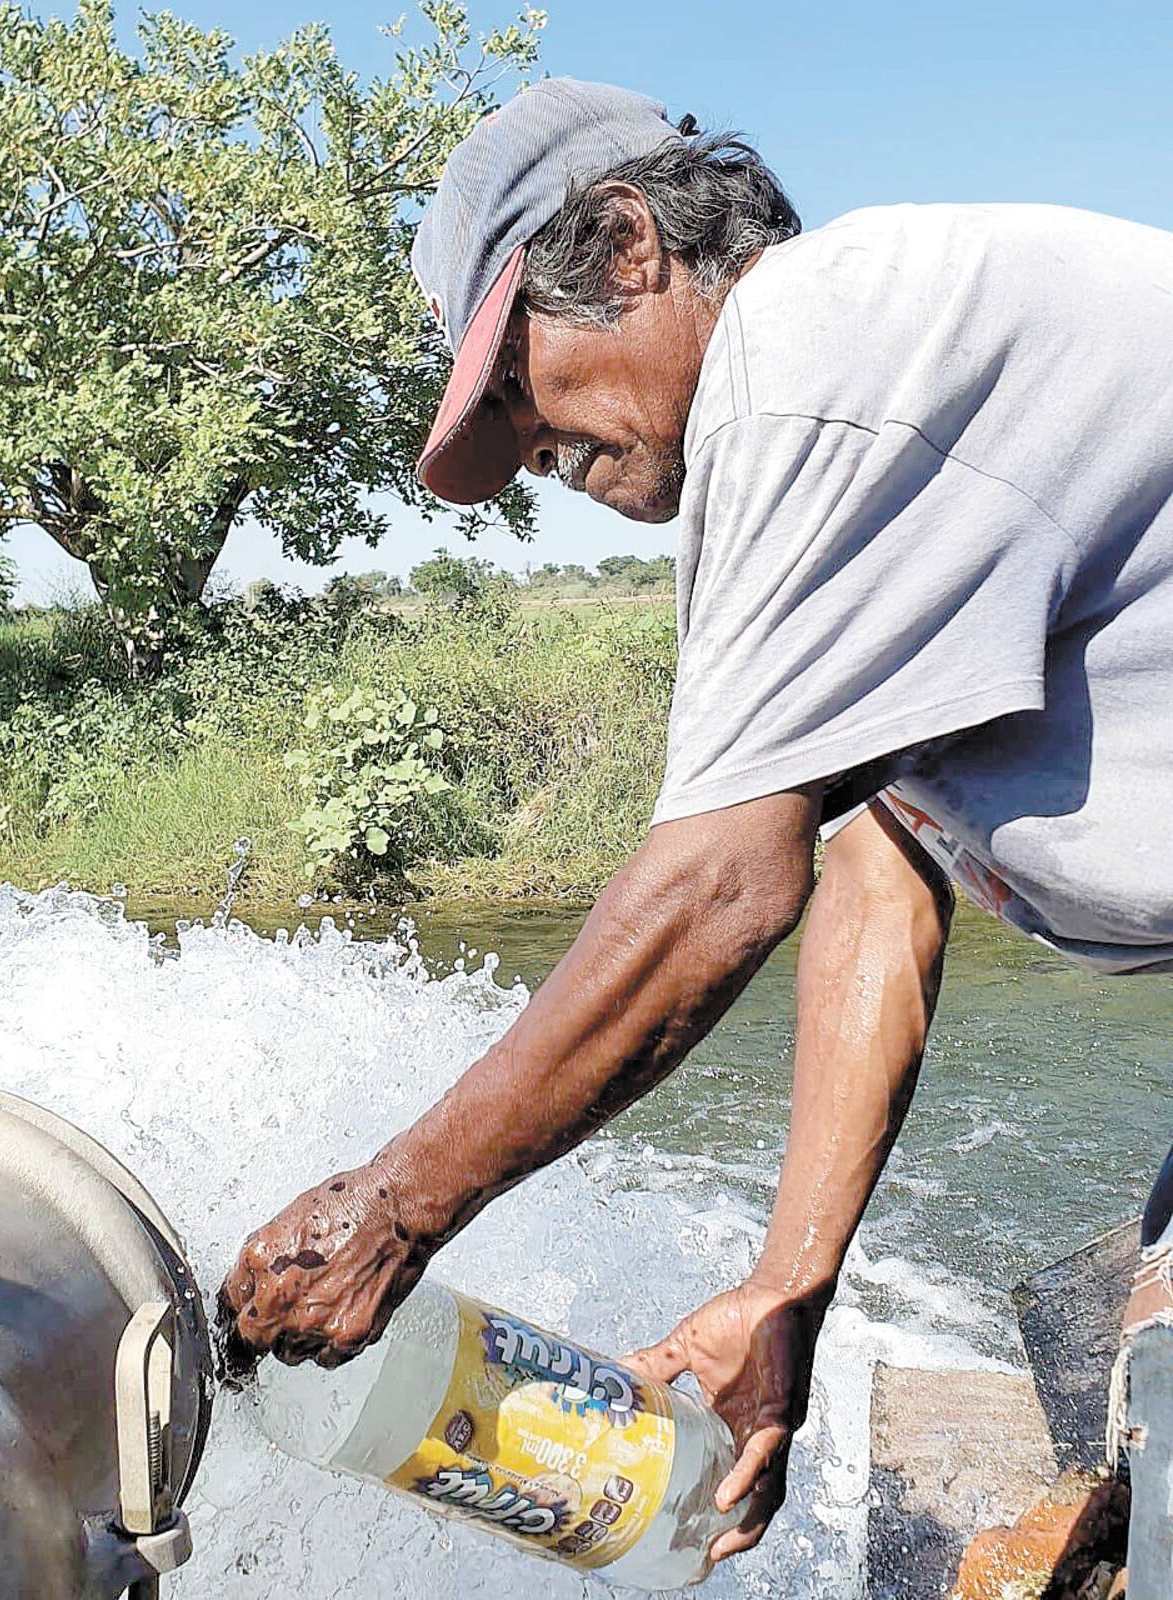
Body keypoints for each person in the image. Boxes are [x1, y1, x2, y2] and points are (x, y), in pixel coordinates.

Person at [222, 77, 1173, 1564]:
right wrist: (789, 1287)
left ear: (624, 247)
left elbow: (720, 890)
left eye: (519, 392)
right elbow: (882, 866)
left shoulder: (813, 353)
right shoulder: (793, 458)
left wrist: (398, 1208)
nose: (529, 453)